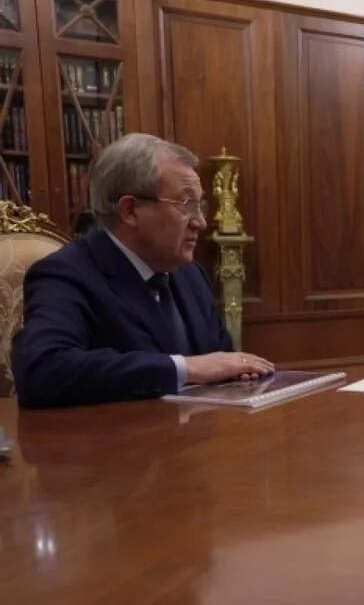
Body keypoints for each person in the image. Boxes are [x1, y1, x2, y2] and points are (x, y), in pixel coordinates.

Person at [12, 133, 274, 406]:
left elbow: (221, 362)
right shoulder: (66, 274)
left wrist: (240, 373)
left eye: (201, 205)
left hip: (197, 429)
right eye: (186, 204)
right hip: (117, 432)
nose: (201, 222)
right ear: (130, 211)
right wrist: (185, 368)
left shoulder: (191, 275)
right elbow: (41, 370)